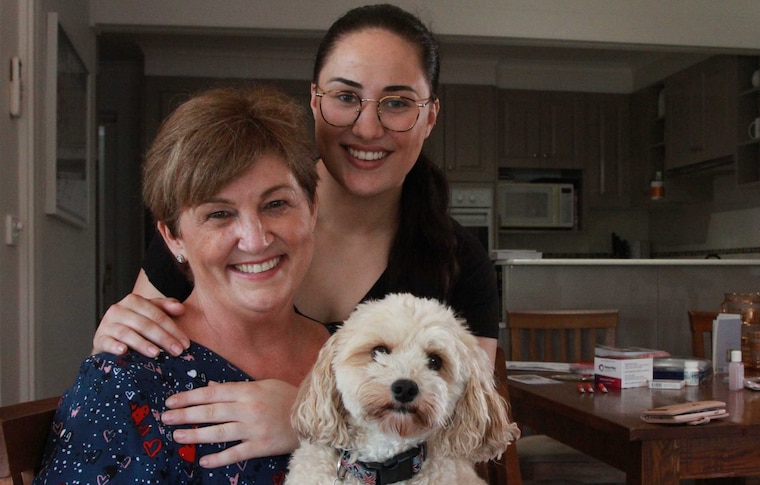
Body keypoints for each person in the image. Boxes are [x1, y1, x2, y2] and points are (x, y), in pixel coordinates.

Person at [91, 3, 500, 469]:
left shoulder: (461, 262)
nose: (368, 127)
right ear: (315, 100)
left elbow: (467, 434)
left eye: (398, 103)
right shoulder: (224, 232)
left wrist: (308, 420)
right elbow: (132, 368)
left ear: (429, 117)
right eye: (346, 97)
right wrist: (117, 334)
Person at [34, 86, 329, 483]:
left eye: (276, 204)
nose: (256, 239)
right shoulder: (124, 382)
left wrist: (315, 427)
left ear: (312, 208)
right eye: (219, 214)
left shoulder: (360, 358)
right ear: (173, 238)